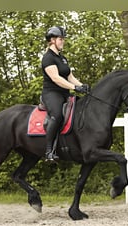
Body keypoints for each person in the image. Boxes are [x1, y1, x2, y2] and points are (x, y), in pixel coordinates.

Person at [41, 26, 90, 161]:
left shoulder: (62, 59)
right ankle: (49, 151)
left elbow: (69, 77)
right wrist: (74, 87)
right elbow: (56, 78)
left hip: (65, 92)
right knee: (56, 115)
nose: (63, 42)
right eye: (61, 39)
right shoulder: (48, 58)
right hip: (51, 93)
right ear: (52, 40)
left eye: (63, 39)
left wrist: (82, 86)